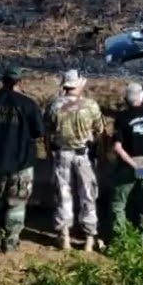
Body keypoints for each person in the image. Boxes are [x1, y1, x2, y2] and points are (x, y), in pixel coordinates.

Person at [0, 65, 45, 253]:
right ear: (21, 82)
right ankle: (11, 242)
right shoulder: (28, 104)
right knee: (17, 203)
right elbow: (39, 131)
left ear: (3, 80)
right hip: (21, 163)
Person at [44, 69, 106, 252]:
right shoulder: (91, 106)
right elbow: (99, 132)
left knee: (63, 194)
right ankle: (88, 239)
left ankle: (65, 239)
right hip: (83, 155)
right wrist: (100, 153)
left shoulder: (53, 106)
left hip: (61, 154)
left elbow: (47, 133)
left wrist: (49, 152)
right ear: (78, 85)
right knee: (88, 194)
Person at [109, 82, 143, 248]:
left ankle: (121, 242)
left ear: (126, 99)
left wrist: (132, 164)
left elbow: (117, 147)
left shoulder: (122, 119)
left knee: (118, 203)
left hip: (128, 166)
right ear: (142, 97)